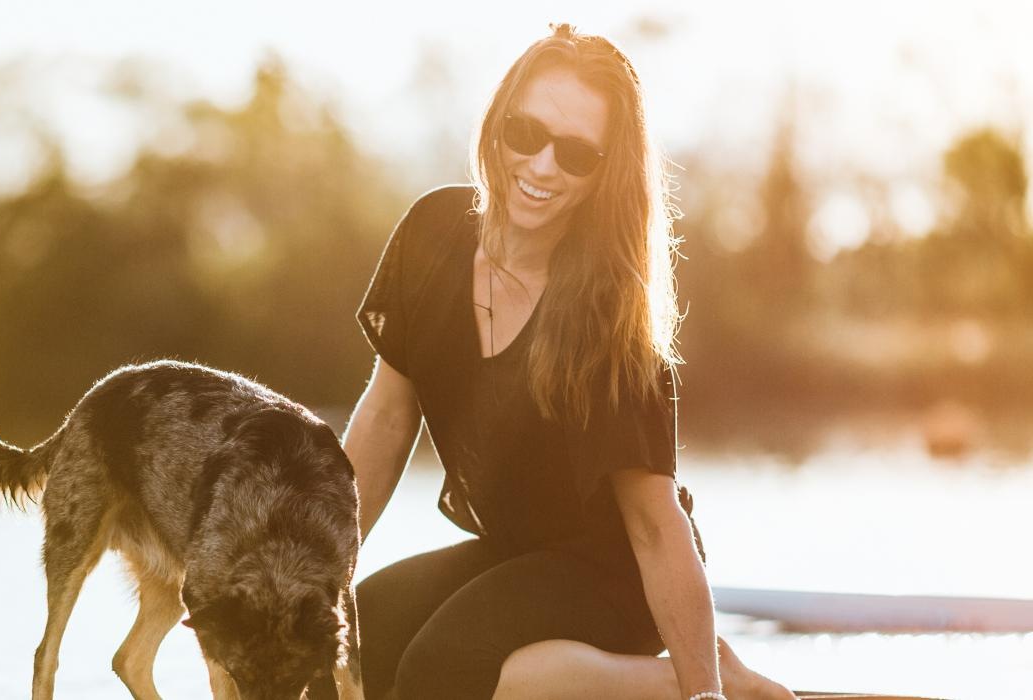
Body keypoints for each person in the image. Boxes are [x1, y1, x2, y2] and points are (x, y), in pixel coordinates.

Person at [315, 24, 797, 700]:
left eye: (575, 154)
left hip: (616, 573)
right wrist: (314, 569)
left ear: (605, 173)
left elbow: (656, 526)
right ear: (497, 123)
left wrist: (703, 694)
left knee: (441, 672)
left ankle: (693, 684)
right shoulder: (432, 236)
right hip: (517, 554)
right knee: (354, 638)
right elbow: (387, 422)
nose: (541, 167)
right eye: (525, 133)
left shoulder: (610, 317)